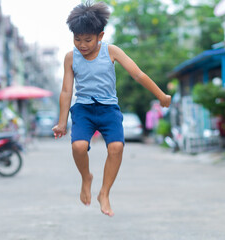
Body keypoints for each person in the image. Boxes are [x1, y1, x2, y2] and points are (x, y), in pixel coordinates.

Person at [52, 1, 171, 217]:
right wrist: (62, 122)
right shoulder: (71, 57)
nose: (82, 45)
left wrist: (161, 95)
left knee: (116, 147)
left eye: (88, 40)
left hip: (108, 110)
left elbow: (138, 75)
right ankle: (86, 177)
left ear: (100, 35)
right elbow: (66, 91)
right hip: (83, 110)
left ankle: (104, 193)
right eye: (77, 39)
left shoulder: (112, 51)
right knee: (78, 147)